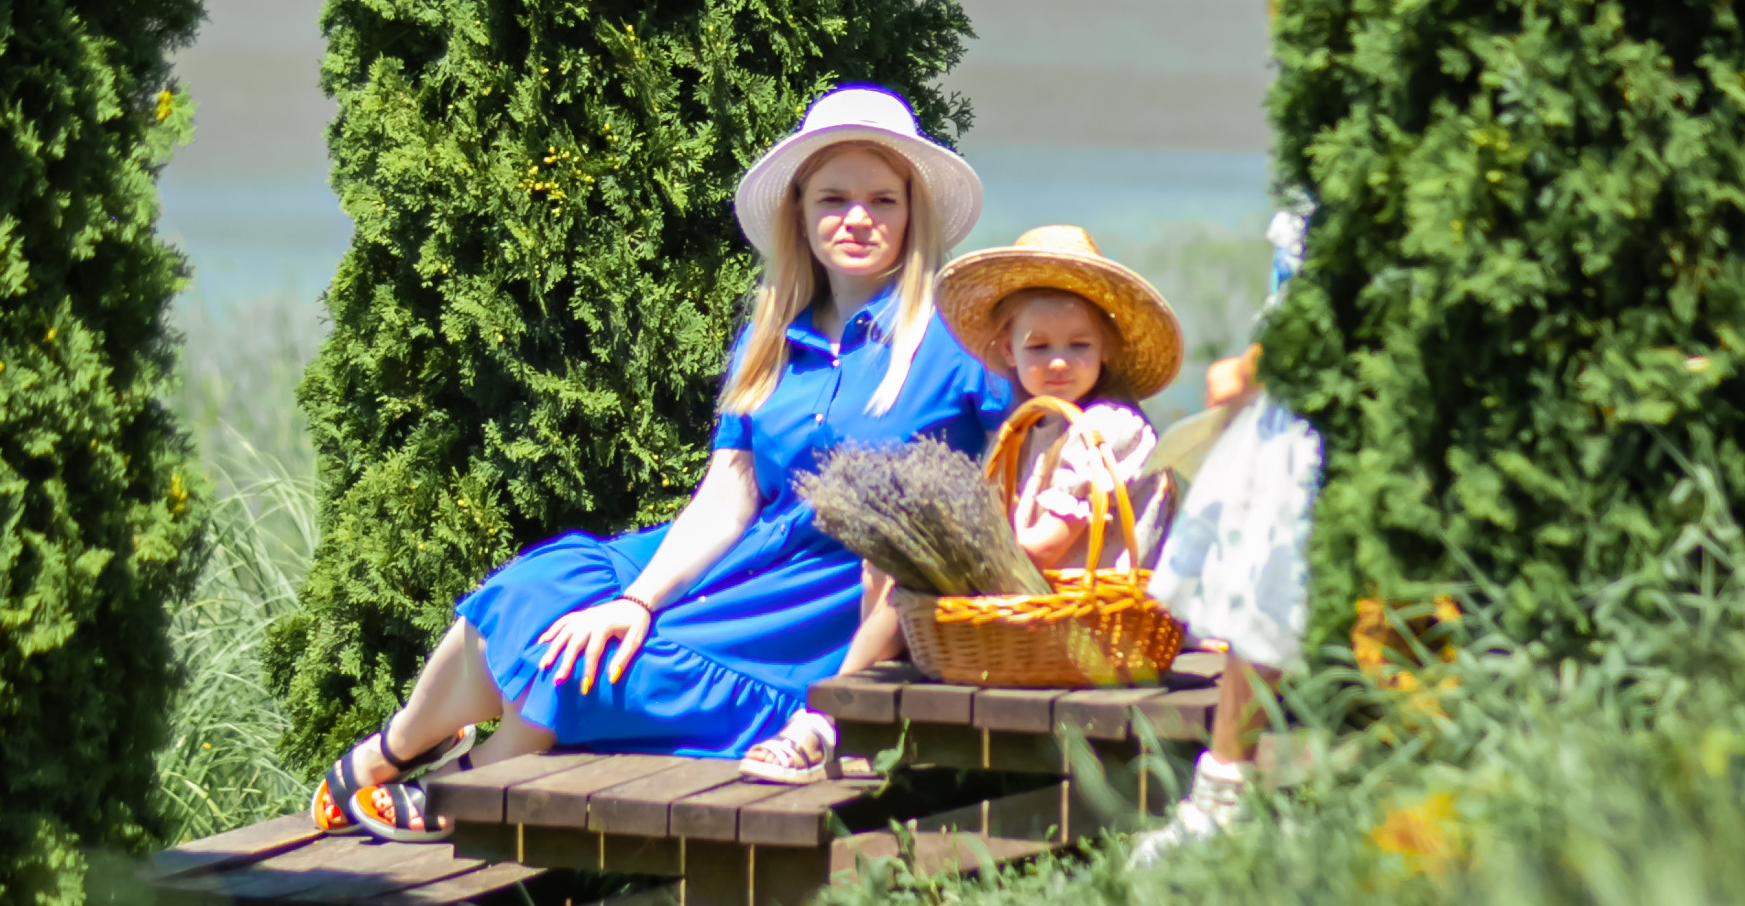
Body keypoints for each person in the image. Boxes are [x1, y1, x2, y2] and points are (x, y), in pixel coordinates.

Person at [313, 86, 1009, 835]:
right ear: (800, 214)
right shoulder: (771, 335)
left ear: (914, 212)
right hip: (742, 551)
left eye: (882, 200)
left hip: (822, 600)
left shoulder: (960, 333)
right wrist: (639, 599)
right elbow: (730, 492)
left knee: (592, 665)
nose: (858, 219)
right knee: (538, 588)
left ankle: (463, 788)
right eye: (833, 200)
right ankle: (396, 747)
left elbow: (1024, 462)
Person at [1132, 207, 1323, 860]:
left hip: (1302, 411)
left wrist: (1253, 370)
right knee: (1259, 585)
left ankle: (1224, 790)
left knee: (1266, 581)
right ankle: (1223, 789)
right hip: (1288, 403)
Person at [933, 223, 1183, 571]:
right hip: (1042, 616)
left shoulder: (1106, 428)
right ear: (1009, 350)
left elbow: (1045, 547)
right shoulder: (1024, 432)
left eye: (1079, 345)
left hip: (1100, 618)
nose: (1059, 362)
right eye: (1038, 346)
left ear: (1106, 347)